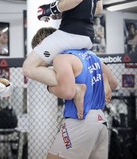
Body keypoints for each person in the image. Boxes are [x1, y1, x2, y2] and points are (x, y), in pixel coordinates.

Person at [23, 0, 103, 86]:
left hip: (71, 33)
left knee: (29, 67)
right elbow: (97, 8)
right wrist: (62, 12)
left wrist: (51, 8)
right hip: (88, 36)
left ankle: (73, 87)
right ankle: (73, 85)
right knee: (61, 66)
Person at [31, 27, 118, 159]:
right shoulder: (91, 55)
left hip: (80, 120)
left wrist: (50, 86)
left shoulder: (62, 59)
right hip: (100, 120)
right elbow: (114, 83)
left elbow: (67, 93)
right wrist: (102, 83)